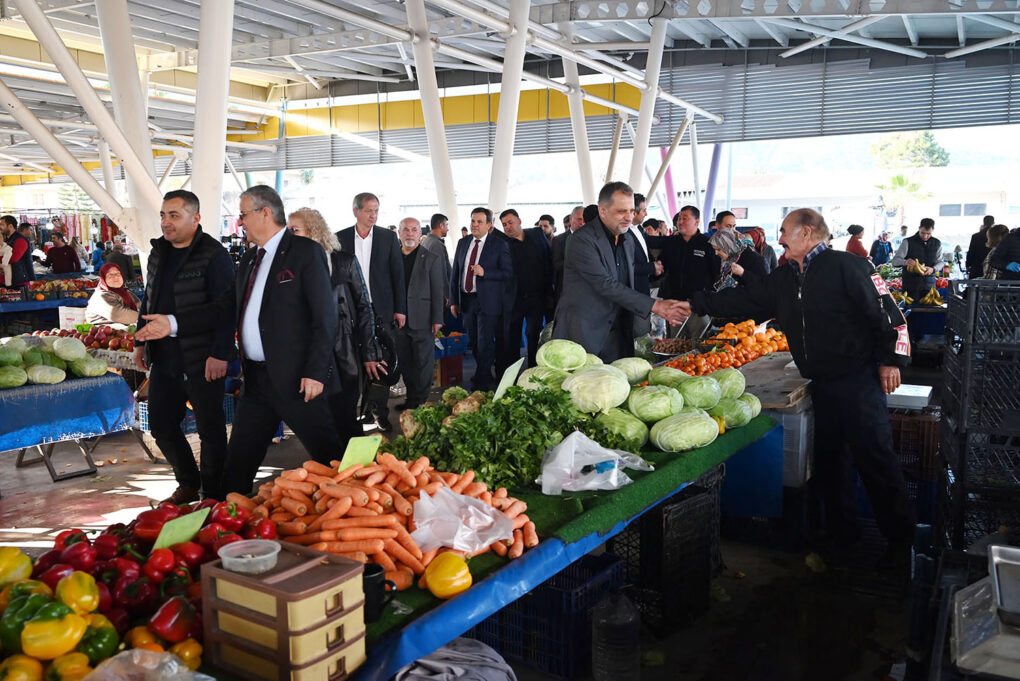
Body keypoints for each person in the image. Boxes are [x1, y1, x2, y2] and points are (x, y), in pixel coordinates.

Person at [678, 208, 915, 562]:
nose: (780, 237)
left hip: (858, 381)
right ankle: (841, 537)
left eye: (785, 230)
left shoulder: (848, 266)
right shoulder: (787, 276)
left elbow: (888, 315)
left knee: (875, 458)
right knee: (831, 463)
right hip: (821, 383)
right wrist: (695, 303)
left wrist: (892, 361)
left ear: (806, 233)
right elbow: (749, 299)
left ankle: (901, 542)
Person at [222, 185, 342, 495]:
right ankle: (225, 521)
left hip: (298, 379)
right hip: (257, 380)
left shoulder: (305, 252)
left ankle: (359, 508)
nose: (240, 223)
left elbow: (324, 318)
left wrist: (316, 371)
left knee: (331, 458)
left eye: (243, 214)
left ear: (265, 213)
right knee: (239, 458)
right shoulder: (249, 260)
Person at [132, 190, 236, 504]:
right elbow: (149, 298)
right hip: (164, 358)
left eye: (174, 215)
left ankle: (213, 493)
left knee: (210, 428)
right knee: (162, 424)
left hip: (202, 357)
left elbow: (226, 308)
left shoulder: (213, 255)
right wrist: (140, 339)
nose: (166, 222)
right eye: (164, 215)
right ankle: (188, 482)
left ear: (196, 218)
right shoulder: (158, 252)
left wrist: (220, 352)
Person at [553, 182, 687, 362]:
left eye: (631, 211)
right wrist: (655, 306)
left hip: (620, 333)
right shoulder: (582, 240)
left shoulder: (627, 240)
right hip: (586, 332)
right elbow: (605, 284)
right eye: (621, 211)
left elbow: (625, 283)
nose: (629, 217)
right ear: (602, 211)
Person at [287, 208, 384, 452]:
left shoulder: (344, 261)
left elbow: (364, 307)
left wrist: (370, 353)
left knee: (347, 419)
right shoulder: (290, 266)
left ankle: (361, 473)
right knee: (320, 422)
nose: (289, 236)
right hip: (311, 356)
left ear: (314, 230)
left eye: (294, 230)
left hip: (345, 353)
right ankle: (333, 476)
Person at [336, 192, 407, 431]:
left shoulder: (388, 237)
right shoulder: (341, 238)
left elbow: (398, 275)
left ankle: (380, 412)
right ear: (356, 211)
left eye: (376, 210)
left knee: (381, 360)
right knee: (358, 360)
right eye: (368, 210)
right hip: (351, 309)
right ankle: (363, 410)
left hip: (382, 308)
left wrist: (400, 309)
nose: (373, 215)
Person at [450, 207, 513, 391]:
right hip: (467, 300)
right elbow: (456, 273)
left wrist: (486, 272)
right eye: (472, 221)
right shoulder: (463, 243)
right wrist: (454, 300)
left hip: (488, 301)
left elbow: (508, 273)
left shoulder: (499, 245)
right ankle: (483, 372)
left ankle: (482, 382)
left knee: (485, 341)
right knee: (474, 342)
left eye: (479, 222)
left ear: (489, 224)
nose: (475, 225)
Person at [394, 217, 445, 409]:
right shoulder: (393, 257)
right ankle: (411, 399)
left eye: (414, 230)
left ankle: (422, 402)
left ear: (420, 234)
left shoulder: (431, 258)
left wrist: (437, 319)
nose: (410, 233)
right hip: (398, 321)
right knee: (406, 363)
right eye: (405, 229)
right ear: (399, 233)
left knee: (423, 364)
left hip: (423, 319)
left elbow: (438, 290)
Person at [496, 208, 552, 370]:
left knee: (534, 334)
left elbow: (548, 261)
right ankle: (512, 372)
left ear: (519, 221)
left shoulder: (536, 235)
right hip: (513, 298)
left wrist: (550, 290)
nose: (507, 227)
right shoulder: (502, 244)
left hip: (536, 296)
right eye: (504, 224)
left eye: (510, 223)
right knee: (512, 337)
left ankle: (535, 369)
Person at [644, 205, 721, 301]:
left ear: (696, 222)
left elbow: (715, 273)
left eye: (685, 219)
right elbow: (661, 266)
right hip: (672, 299)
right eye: (679, 219)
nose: (680, 222)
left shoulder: (708, 244)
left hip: (698, 301)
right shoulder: (670, 242)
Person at [891, 218, 943, 301]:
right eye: (922, 233)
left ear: (933, 230)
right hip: (911, 287)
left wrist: (933, 269)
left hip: (930, 286)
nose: (925, 236)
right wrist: (905, 262)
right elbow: (895, 261)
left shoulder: (937, 243)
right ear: (919, 228)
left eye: (928, 233)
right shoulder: (907, 242)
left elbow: (940, 262)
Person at [552, 205, 584, 303]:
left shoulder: (592, 239)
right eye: (579, 219)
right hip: (566, 289)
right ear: (571, 219)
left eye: (584, 219)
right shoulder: (559, 240)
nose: (582, 223)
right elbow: (557, 264)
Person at [422, 213, 452, 296]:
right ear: (441, 225)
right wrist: (446, 294)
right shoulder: (437, 244)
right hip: (439, 294)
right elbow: (441, 272)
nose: (448, 229)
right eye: (446, 225)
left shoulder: (427, 241)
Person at [1, 215, 32, 287]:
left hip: (19, 281)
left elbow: (13, 258)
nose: (0, 227)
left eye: (2, 224)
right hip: (9, 279)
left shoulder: (20, 239)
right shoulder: (7, 240)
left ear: (10, 226)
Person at [966, 215, 995, 280]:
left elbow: (971, 252)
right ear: (993, 223)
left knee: (974, 287)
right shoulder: (996, 236)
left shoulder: (976, 236)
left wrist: (968, 265)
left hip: (977, 266)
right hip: (991, 267)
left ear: (984, 223)